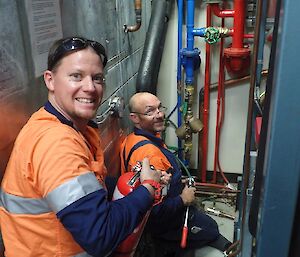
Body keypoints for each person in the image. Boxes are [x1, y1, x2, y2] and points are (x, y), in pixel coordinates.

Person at [0, 36, 163, 257]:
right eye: (76, 76)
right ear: (50, 80)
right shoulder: (56, 143)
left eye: (97, 78)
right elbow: (100, 235)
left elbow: (88, 186)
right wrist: (148, 189)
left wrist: (139, 179)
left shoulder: (70, 127)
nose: (90, 88)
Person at [120, 92, 232, 257]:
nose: (160, 114)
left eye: (160, 107)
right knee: (211, 228)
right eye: (150, 111)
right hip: (166, 224)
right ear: (134, 118)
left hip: (157, 211)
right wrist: (183, 199)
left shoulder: (132, 139)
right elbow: (155, 213)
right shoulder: (151, 155)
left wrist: (178, 181)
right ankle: (167, 247)